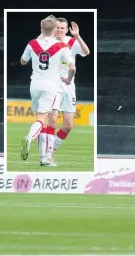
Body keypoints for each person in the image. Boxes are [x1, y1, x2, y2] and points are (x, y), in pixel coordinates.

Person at [20, 17, 76, 161]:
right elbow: (72, 67)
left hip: (34, 85)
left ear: (41, 29)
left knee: (42, 119)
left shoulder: (32, 43)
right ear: (54, 30)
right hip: (51, 86)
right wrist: (69, 79)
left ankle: (42, 157)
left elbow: (23, 61)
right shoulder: (61, 46)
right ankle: (29, 138)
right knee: (42, 120)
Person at [39, 17, 90, 167]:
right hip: (53, 86)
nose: (60, 30)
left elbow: (86, 52)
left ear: (66, 29)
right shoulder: (48, 42)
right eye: (57, 28)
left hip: (69, 86)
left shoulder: (72, 42)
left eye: (62, 28)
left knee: (68, 125)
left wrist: (77, 35)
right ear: (54, 29)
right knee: (53, 119)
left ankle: (49, 150)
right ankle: (47, 156)